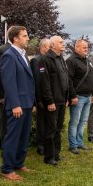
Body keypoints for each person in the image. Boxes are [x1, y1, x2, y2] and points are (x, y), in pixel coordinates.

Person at [0, 26, 35, 181]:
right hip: (17, 105)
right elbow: (9, 83)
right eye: (25, 36)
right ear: (16, 38)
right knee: (13, 137)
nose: (28, 38)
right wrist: (15, 104)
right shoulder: (9, 55)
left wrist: (32, 102)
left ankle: (18, 163)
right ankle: (7, 169)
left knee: (23, 137)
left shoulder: (23, 55)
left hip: (27, 103)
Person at [39, 36, 69, 166]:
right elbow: (44, 83)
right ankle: (49, 156)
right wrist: (49, 101)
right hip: (52, 101)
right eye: (60, 42)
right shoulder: (45, 60)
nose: (63, 44)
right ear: (52, 45)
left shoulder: (61, 58)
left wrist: (68, 97)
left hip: (62, 100)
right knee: (50, 129)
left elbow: (66, 79)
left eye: (63, 42)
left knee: (58, 129)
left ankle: (56, 154)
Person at [66, 40, 93, 154]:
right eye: (84, 47)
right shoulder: (71, 60)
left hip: (88, 96)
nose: (86, 49)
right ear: (76, 47)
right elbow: (69, 79)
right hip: (77, 96)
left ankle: (80, 142)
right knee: (74, 121)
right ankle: (73, 145)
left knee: (83, 121)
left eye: (87, 47)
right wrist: (72, 96)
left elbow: (90, 78)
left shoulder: (87, 60)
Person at [30, 38, 52, 155]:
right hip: (41, 98)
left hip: (50, 97)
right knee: (41, 122)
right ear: (43, 48)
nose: (51, 49)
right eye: (49, 46)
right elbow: (36, 81)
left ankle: (48, 143)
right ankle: (40, 145)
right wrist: (37, 100)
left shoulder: (50, 60)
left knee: (49, 122)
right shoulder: (36, 61)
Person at [0, 38, 11, 145]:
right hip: (5, 95)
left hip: (17, 95)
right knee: (5, 122)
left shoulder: (21, 51)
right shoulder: (2, 50)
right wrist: (1, 95)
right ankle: (5, 148)